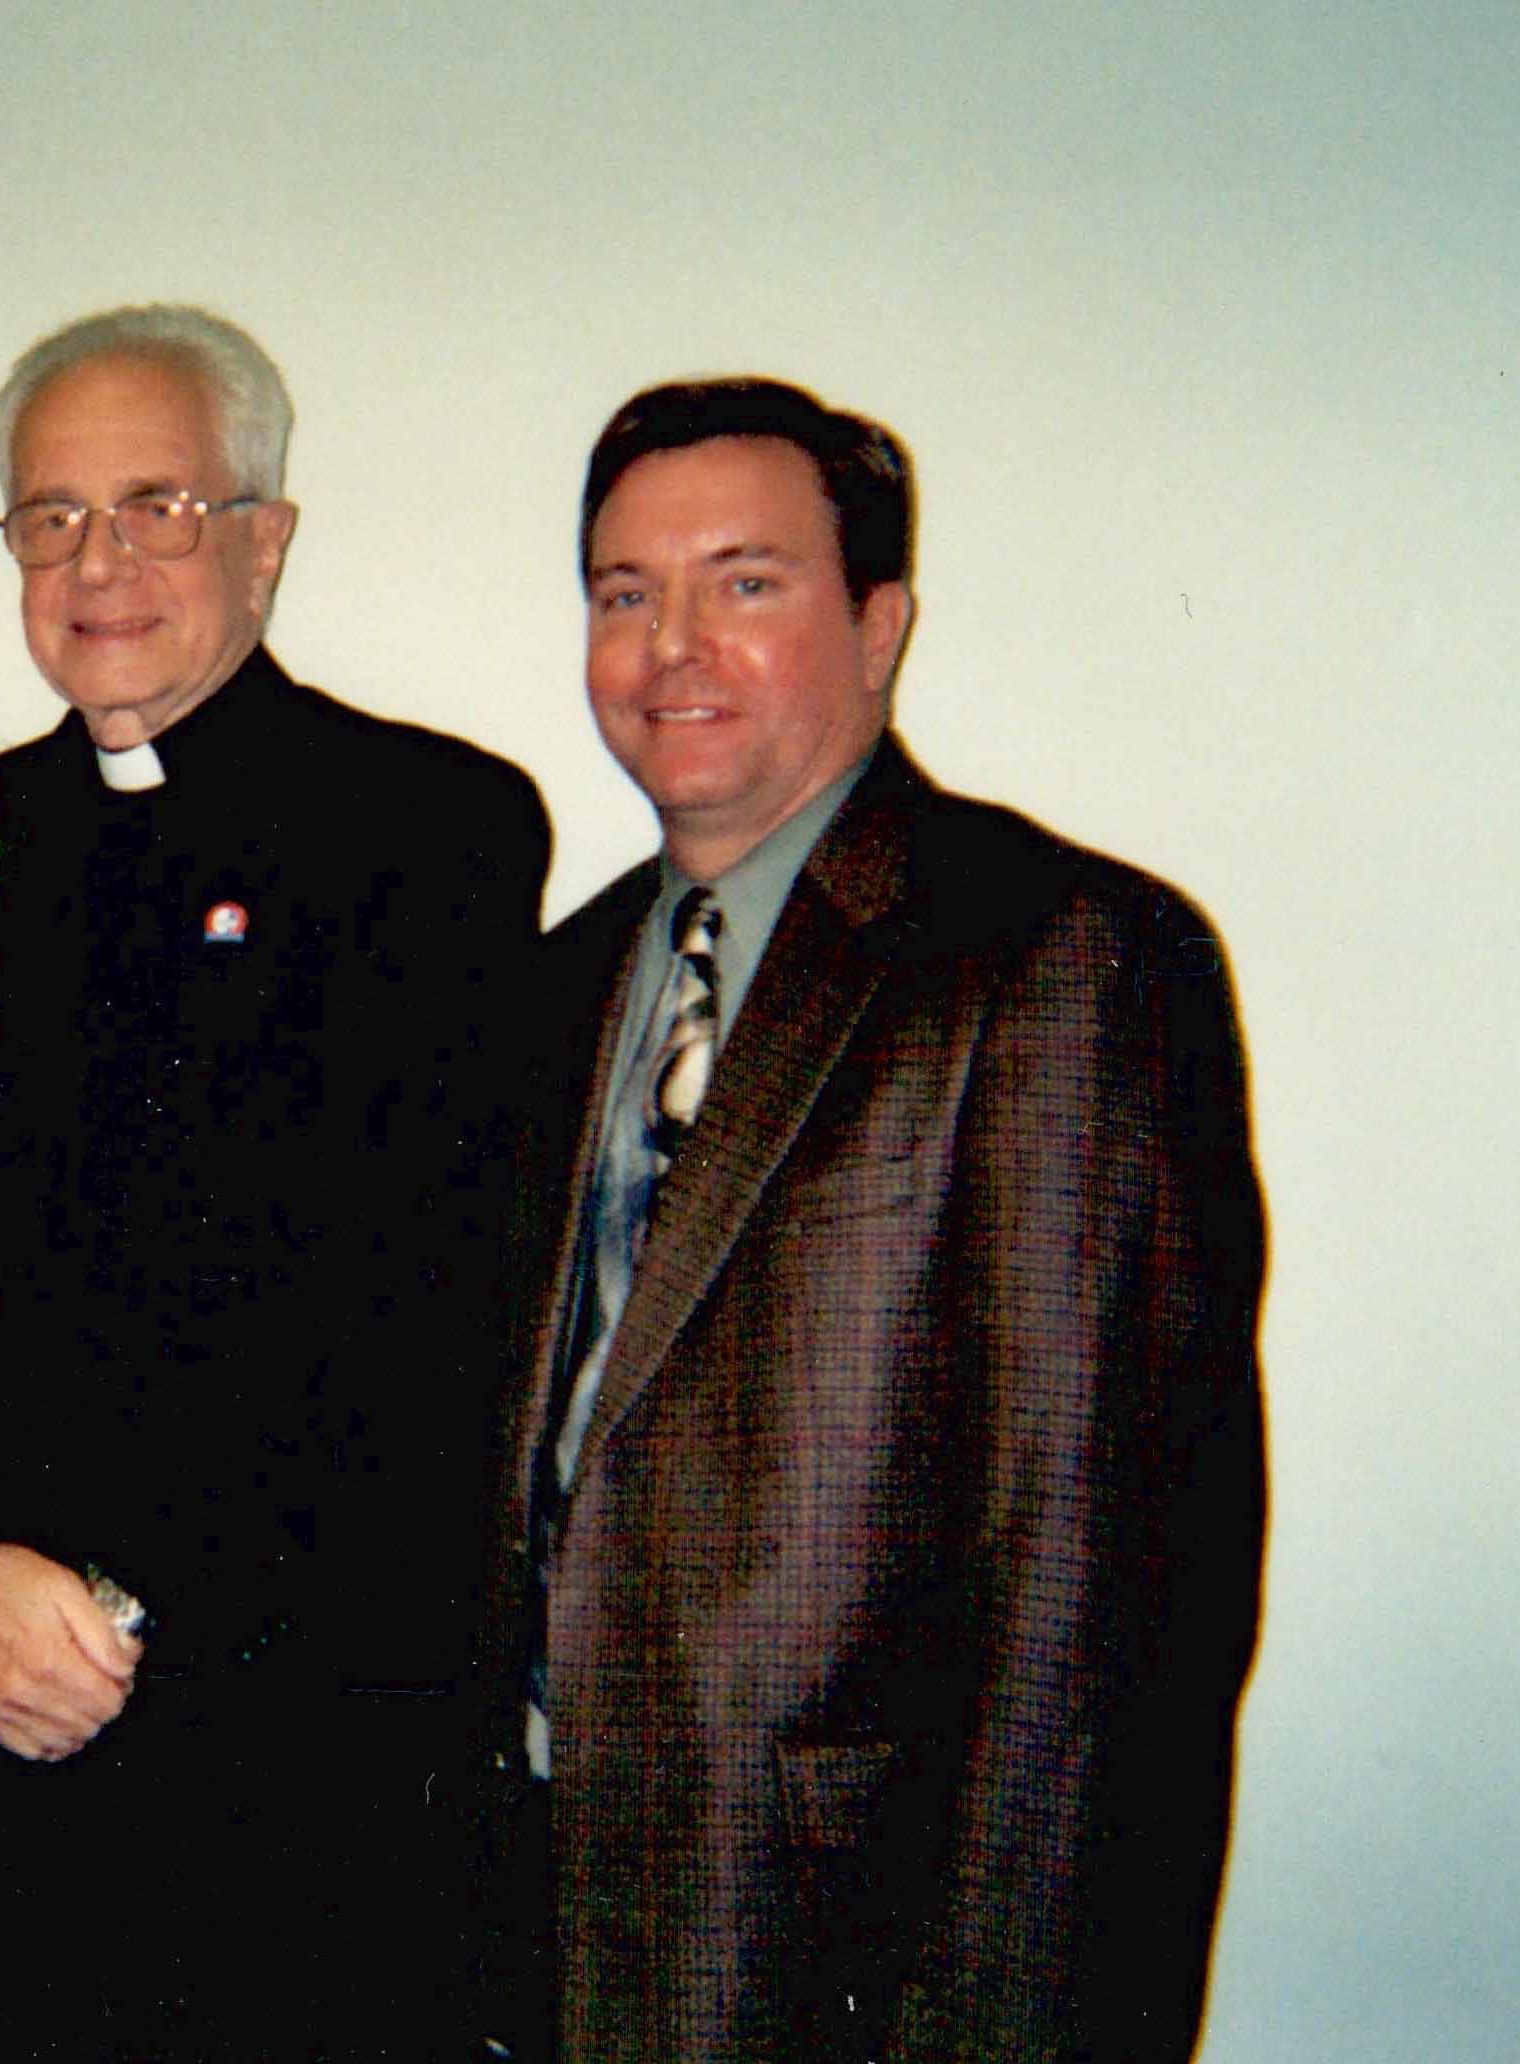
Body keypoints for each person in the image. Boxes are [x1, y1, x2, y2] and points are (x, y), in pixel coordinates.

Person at [0, 305, 553, 2059]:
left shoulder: (436, 831)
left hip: (304, 1770)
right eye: (50, 516)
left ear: (264, 542)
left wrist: (125, 1612)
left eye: (157, 507)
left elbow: (403, 1306)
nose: (98, 560)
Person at [477, 378, 1268, 2061]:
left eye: (745, 582)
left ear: (880, 623)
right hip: (535, 1925)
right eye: (626, 595)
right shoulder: (558, 985)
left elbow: (1110, 1595)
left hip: (856, 1945)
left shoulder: (1060, 959)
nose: (670, 645)